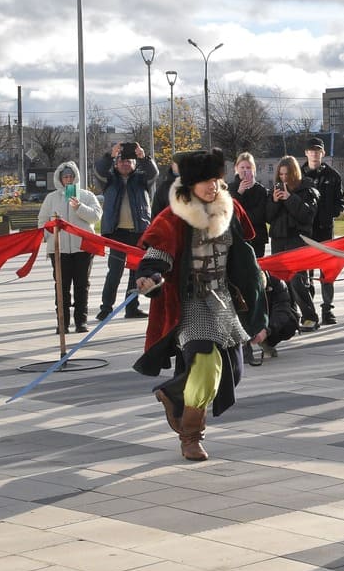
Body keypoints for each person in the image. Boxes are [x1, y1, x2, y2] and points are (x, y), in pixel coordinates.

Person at [134, 148, 267, 462]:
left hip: (224, 301)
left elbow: (244, 260)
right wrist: (150, 276)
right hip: (190, 302)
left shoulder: (229, 210)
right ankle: (192, 436)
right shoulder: (174, 216)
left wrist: (257, 312)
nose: (213, 186)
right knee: (206, 362)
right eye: (206, 180)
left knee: (231, 374)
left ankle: (173, 394)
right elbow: (157, 255)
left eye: (217, 179)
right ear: (190, 184)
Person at [95, 141, 158, 320]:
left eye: (129, 161)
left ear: (134, 164)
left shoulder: (142, 180)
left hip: (138, 232)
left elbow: (154, 173)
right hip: (117, 233)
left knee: (136, 273)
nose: (125, 164)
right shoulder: (109, 180)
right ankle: (106, 308)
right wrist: (110, 155)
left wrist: (143, 157)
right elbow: (99, 170)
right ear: (116, 163)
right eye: (121, 161)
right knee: (114, 272)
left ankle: (132, 307)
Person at [37, 161, 103, 334]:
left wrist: (79, 207)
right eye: (65, 176)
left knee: (82, 285)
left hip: (82, 249)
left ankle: (81, 321)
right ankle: (62, 323)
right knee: (61, 286)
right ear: (60, 178)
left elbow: (96, 216)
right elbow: (42, 221)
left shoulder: (86, 195)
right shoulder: (51, 198)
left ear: (76, 177)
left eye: (71, 176)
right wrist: (49, 233)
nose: (68, 179)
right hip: (58, 250)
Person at [265, 156, 320, 331]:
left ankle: (310, 316)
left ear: (294, 173)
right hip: (278, 239)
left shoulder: (307, 189)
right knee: (281, 281)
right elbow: (268, 216)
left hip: (298, 239)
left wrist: (289, 198)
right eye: (281, 174)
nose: (284, 178)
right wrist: (274, 201)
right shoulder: (275, 189)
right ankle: (290, 316)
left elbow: (307, 215)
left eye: (287, 174)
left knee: (298, 280)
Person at [301, 137, 344, 326]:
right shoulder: (299, 175)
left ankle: (327, 309)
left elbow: (340, 202)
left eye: (318, 151)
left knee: (327, 271)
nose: (314, 154)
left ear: (323, 153)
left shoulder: (333, 176)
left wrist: (329, 213)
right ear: (306, 153)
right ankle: (309, 310)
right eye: (311, 150)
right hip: (305, 229)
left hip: (325, 231)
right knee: (306, 273)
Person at [229, 152, 269, 259]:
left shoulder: (261, 190)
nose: (245, 170)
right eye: (242, 167)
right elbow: (231, 214)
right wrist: (239, 193)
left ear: (253, 169)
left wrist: (244, 218)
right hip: (237, 237)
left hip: (258, 236)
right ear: (236, 168)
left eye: (248, 167)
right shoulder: (230, 188)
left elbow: (261, 214)